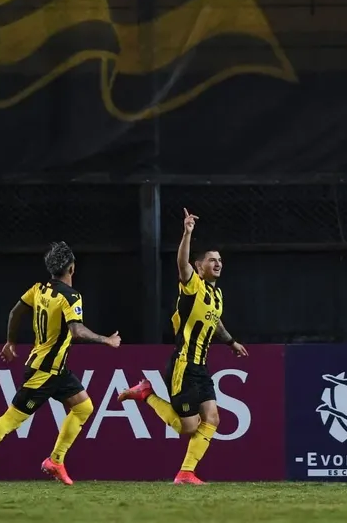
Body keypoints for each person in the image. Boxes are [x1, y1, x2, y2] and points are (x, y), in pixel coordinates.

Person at [0, 241, 122, 490]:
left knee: (84, 406)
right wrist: (106, 340)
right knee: (11, 421)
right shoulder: (71, 296)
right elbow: (76, 331)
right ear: (71, 268)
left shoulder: (39, 289)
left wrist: (10, 341)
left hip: (56, 370)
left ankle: (55, 460)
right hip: (44, 372)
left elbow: (14, 312)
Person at [118, 208, 248, 485]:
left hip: (201, 367)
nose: (218, 263)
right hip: (184, 366)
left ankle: (186, 473)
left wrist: (231, 341)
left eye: (220, 260)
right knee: (188, 427)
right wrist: (187, 233)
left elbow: (216, 323)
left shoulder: (217, 294)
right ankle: (146, 394)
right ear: (200, 266)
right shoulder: (193, 286)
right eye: (212, 260)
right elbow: (181, 263)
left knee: (212, 419)